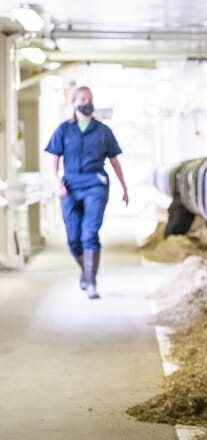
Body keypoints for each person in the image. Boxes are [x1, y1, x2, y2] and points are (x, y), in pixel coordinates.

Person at [45, 85, 129, 299]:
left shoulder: (103, 131)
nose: (86, 102)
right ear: (73, 103)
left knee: (89, 233)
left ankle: (91, 283)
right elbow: (53, 157)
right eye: (82, 98)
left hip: (95, 185)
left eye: (89, 98)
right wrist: (56, 183)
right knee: (73, 239)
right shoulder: (63, 130)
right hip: (70, 186)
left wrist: (124, 187)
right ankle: (86, 270)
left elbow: (114, 159)